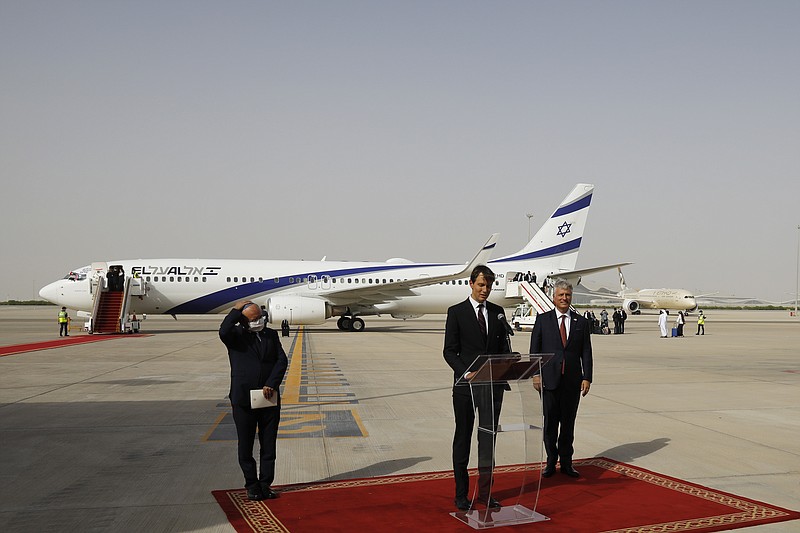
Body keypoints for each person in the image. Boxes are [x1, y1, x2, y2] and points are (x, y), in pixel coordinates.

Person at [443, 265, 511, 511]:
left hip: (492, 387)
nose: (485, 290)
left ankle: (485, 493)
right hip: (466, 387)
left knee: (487, 440)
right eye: (481, 285)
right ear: (471, 284)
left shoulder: (497, 312)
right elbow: (449, 351)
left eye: (489, 286)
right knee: (463, 438)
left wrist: (509, 363)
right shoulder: (457, 312)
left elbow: (503, 348)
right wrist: (466, 373)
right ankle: (461, 494)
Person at [219, 300, 288, 501]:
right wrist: (235, 309)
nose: (259, 321)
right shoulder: (235, 336)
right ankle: (252, 484)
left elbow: (281, 360)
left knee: (269, 443)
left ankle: (266, 483)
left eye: (260, 317)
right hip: (243, 399)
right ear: (243, 321)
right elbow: (223, 330)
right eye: (254, 319)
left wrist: (271, 383)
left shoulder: (270, 334)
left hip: (268, 397)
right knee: (246, 444)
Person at [530, 279, 592, 478]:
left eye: (567, 295)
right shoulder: (543, 320)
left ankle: (566, 462)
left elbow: (586, 352)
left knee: (568, 424)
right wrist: (536, 374)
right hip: (549, 381)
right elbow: (534, 351)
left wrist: (587, 377)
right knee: (550, 424)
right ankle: (550, 461)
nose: (564, 298)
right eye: (561, 295)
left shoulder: (580, 322)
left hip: (572, 382)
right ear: (554, 298)